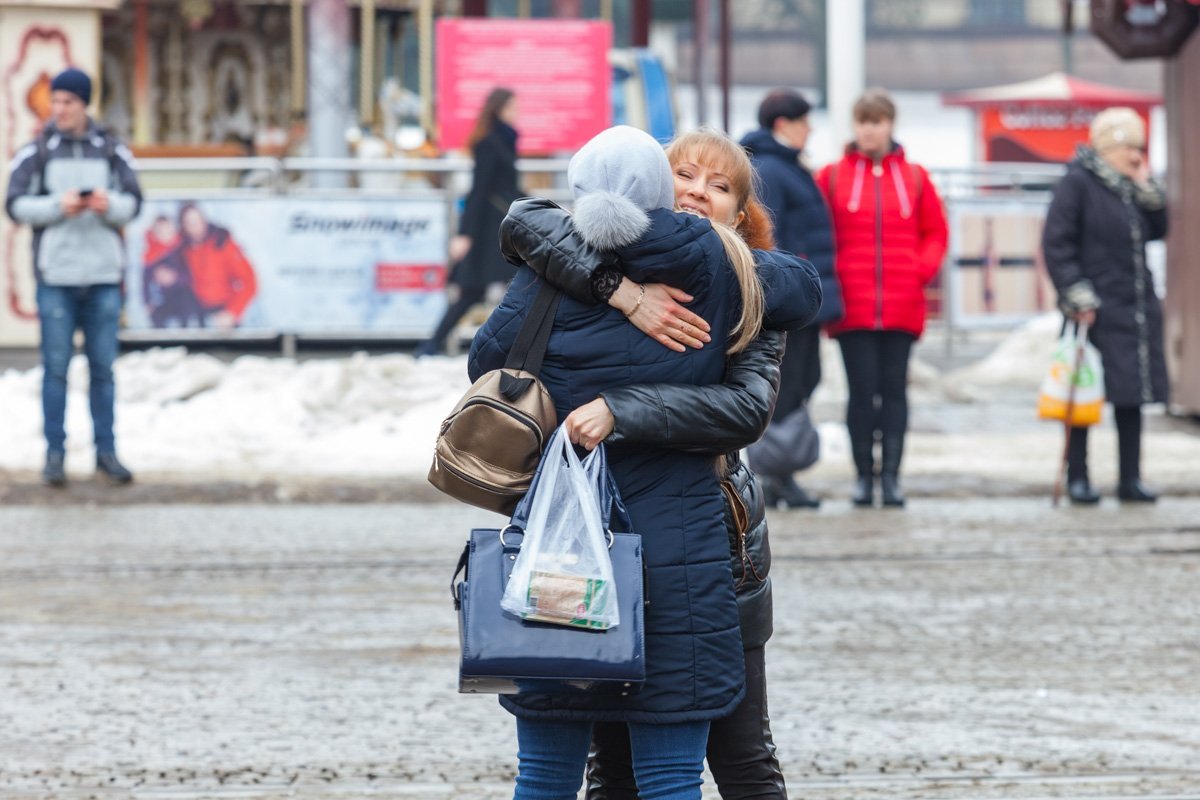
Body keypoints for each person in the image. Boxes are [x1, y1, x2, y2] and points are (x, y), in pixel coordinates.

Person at [470, 126, 818, 800]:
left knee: (573, 767)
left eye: (720, 187)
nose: (698, 193)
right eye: (686, 176)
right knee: (655, 770)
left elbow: (490, 364)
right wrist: (615, 288)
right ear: (660, 185)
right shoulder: (723, 274)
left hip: (569, 544)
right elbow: (805, 289)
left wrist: (616, 405)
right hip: (676, 546)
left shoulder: (734, 273)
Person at [5, 67, 142, 486]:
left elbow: (134, 201)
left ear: (85, 104)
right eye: (56, 101)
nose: (59, 109)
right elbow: (13, 204)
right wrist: (56, 207)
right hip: (57, 276)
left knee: (103, 369)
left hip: (102, 274)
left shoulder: (111, 149)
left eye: (67, 101)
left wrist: (107, 205)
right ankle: (55, 454)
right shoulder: (38, 151)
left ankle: (106, 451)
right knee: (56, 369)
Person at [817, 88, 948, 508]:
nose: (869, 130)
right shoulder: (833, 176)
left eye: (876, 121)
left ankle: (891, 477)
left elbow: (936, 233)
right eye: (863, 121)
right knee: (860, 393)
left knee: (894, 393)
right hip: (852, 305)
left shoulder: (915, 177)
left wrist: (918, 272)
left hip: (901, 303)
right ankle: (862, 477)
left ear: (890, 124)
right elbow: (820, 233)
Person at [1042, 107, 1169, 504]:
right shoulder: (1077, 184)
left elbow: (1157, 230)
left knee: (1131, 394)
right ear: (1110, 147)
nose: (1137, 156)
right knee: (1084, 394)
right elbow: (1057, 242)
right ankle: (1078, 476)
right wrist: (1075, 291)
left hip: (1133, 304)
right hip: (1093, 308)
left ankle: (1130, 478)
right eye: (1131, 147)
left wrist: (1148, 192)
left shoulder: (1131, 186)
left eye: (1141, 148)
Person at [741, 88, 842, 509]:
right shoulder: (771, 169)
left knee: (802, 380)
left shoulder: (784, 166)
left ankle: (782, 472)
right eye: (804, 121)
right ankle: (774, 473)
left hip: (801, 294)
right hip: (788, 298)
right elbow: (767, 238)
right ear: (783, 125)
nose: (810, 129)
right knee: (786, 385)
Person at [416, 87, 521, 356]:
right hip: (489, 228)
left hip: (499, 224)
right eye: (513, 107)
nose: (517, 112)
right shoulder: (490, 143)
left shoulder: (504, 139)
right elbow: (479, 190)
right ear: (500, 109)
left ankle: (433, 344)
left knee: (502, 287)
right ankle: (432, 344)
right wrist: (464, 234)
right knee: (475, 290)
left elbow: (506, 187)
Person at [176, 203, 257, 328]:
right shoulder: (181, 248)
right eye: (190, 223)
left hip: (224, 314)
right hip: (198, 315)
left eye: (198, 221)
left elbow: (249, 281)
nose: (196, 227)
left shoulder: (222, 243)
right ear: (183, 226)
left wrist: (232, 312)